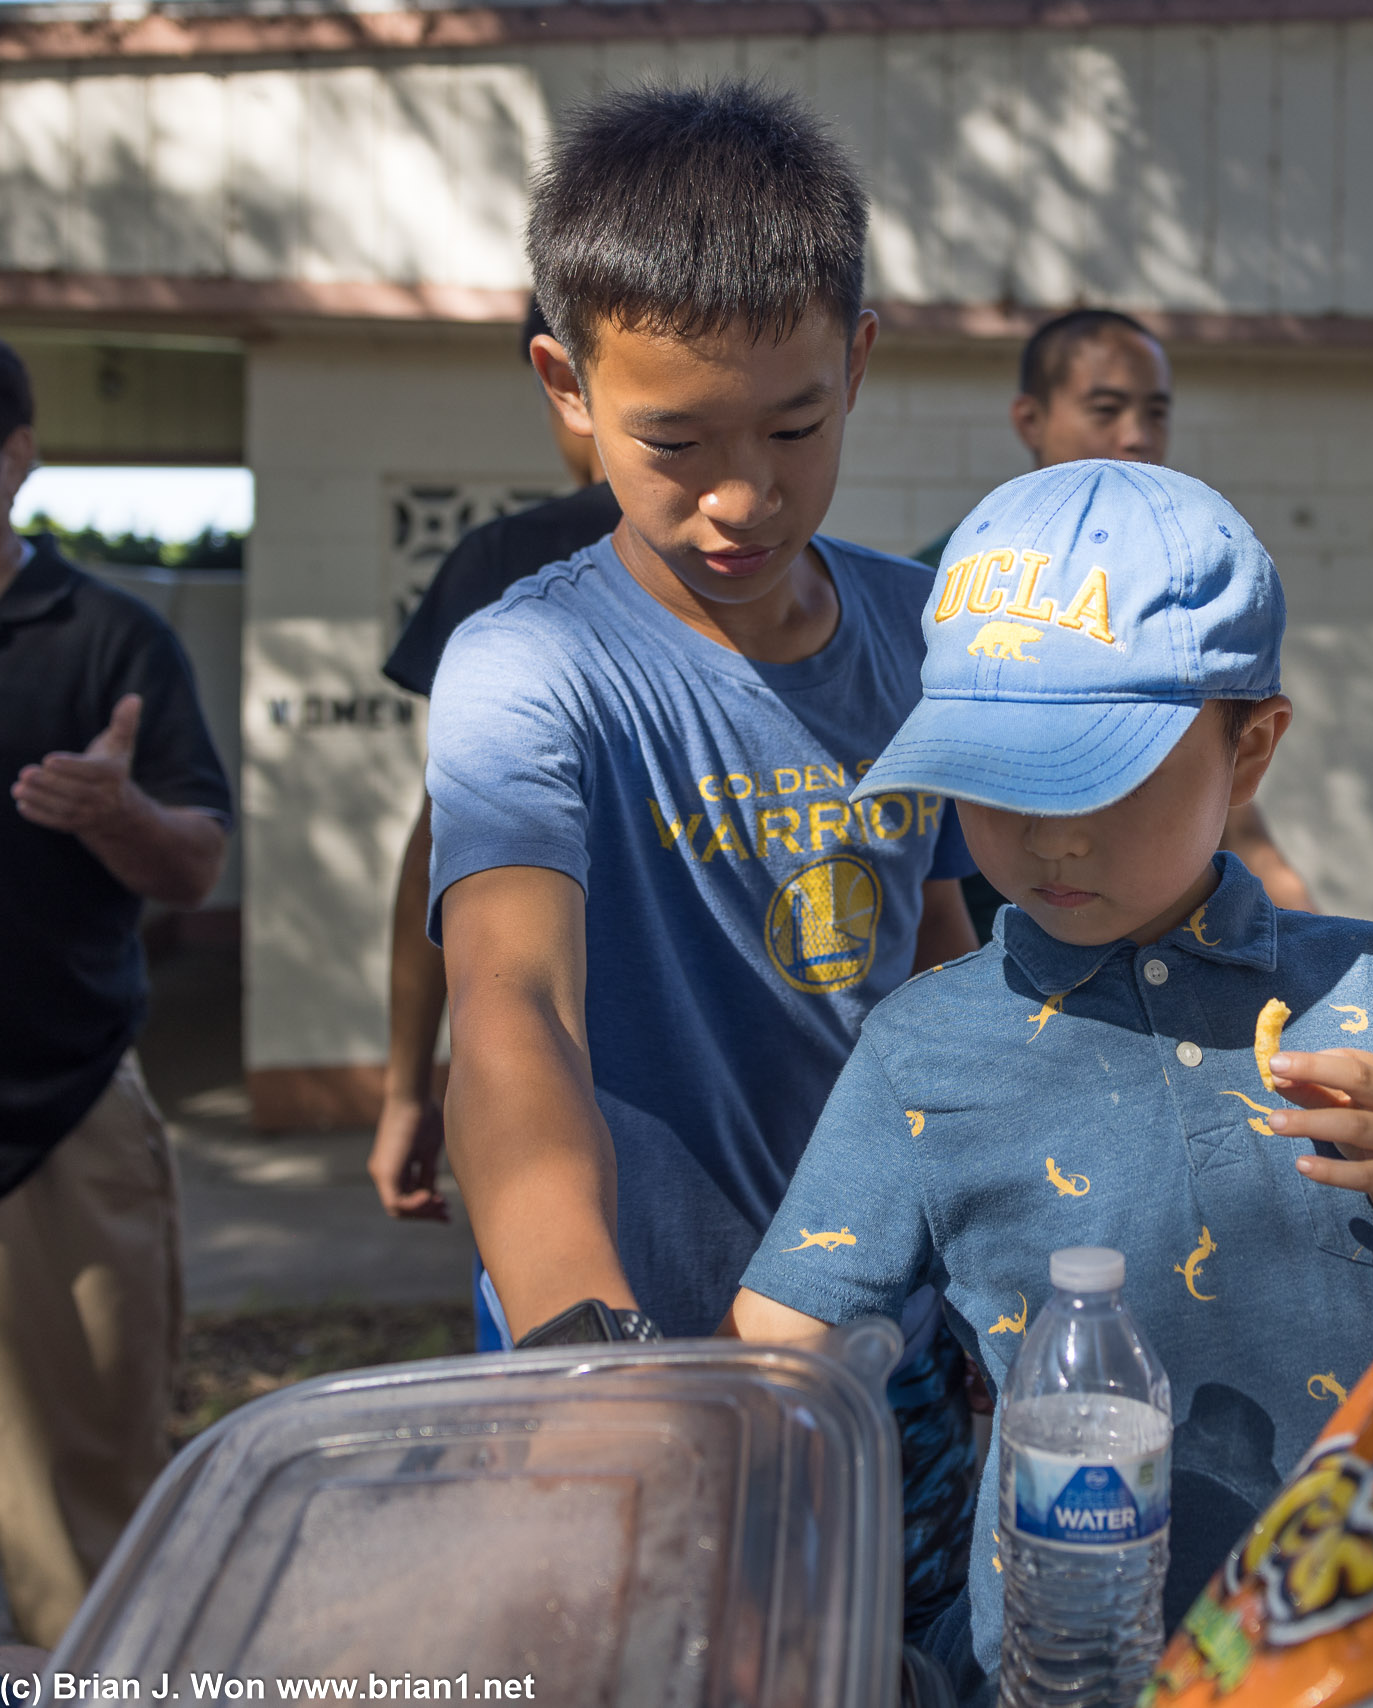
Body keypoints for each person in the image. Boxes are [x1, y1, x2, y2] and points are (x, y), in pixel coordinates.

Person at [726, 458, 1373, 1700]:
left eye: (1105, 776)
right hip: (1073, 1669)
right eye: (1003, 780)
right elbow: (774, 1354)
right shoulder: (920, 1048)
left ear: (1253, 748)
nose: (1052, 835)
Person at [423, 85, 981, 1628]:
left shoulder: (920, 637)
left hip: (879, 1345)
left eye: (796, 427)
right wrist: (576, 1350)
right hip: (621, 1348)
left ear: (859, 361)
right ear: (567, 388)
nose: (744, 496)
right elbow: (513, 1004)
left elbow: (933, 951)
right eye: (675, 440)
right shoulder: (528, 670)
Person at [0, 339, 232, 1646]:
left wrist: (115, 812)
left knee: (83, 1517)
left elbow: (196, 861)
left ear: (17, 455)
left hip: (56, 1117)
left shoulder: (108, 638)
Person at [926, 308, 1314, 936]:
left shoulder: (1174, 571)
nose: (1135, 435)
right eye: (1105, 409)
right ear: (1030, 418)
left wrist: (1281, 890)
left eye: (1155, 412)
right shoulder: (954, 585)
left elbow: (1215, 753)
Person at [371, 301, 621, 1238]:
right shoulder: (779, 566)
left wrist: (409, 1084)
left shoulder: (504, 562)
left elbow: (438, 841)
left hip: (560, 1116)